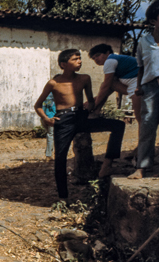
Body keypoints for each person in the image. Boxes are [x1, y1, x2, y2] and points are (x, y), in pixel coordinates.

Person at [34, 49, 125, 200]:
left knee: (118, 125)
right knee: (60, 158)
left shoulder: (84, 78)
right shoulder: (53, 83)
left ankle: (107, 164)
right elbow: (38, 105)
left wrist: (91, 110)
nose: (80, 61)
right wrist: (46, 118)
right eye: (75, 59)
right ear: (64, 64)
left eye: (80, 58)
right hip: (63, 120)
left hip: (81, 117)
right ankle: (63, 198)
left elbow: (90, 101)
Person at [129, 0, 159, 179]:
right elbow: (141, 67)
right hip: (150, 87)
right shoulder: (144, 41)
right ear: (153, 21)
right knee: (147, 126)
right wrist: (139, 86)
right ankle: (141, 167)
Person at [41, 92, 56, 159]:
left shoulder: (46, 95)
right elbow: (55, 109)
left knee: (50, 135)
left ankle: (49, 153)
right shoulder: (55, 96)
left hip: (43, 118)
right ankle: (49, 154)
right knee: (51, 136)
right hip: (51, 118)